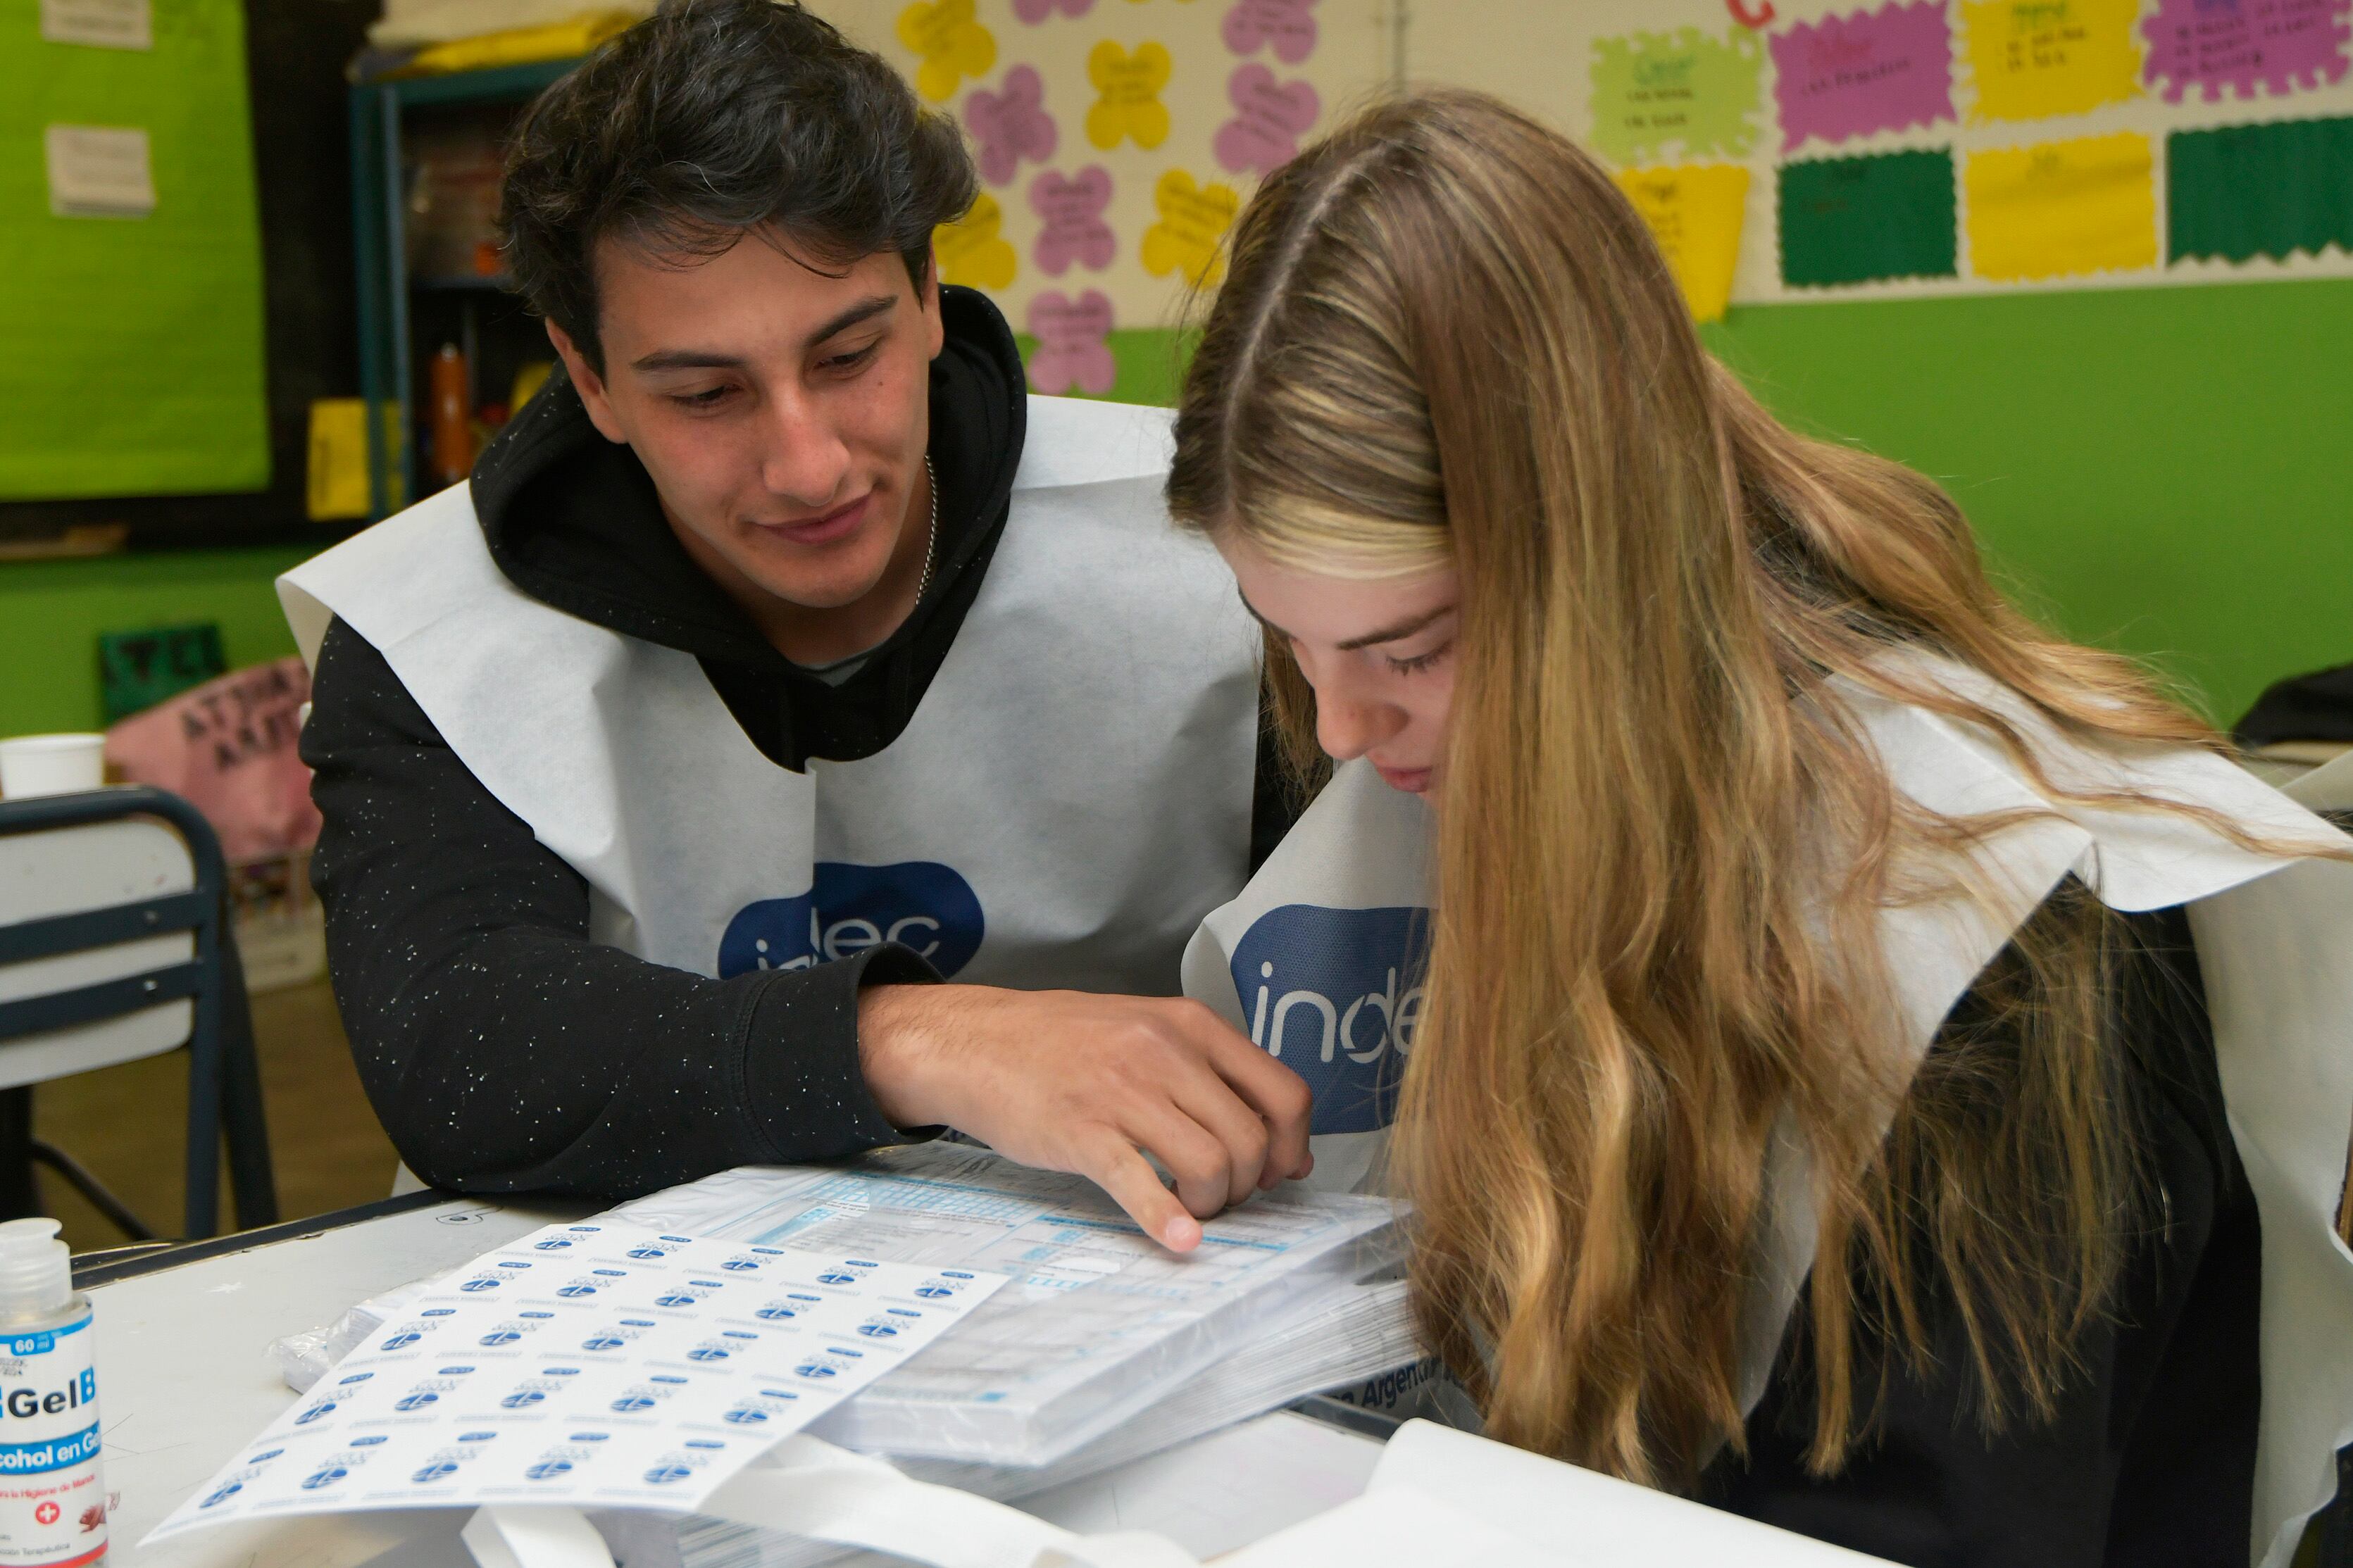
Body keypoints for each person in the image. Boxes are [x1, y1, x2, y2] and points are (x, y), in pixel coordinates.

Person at [1168, 91, 2353, 1567]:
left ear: (1598, 578)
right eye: (1287, 640)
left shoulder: (2000, 934)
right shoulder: (1454, 745)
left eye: (1412, 652)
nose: (1341, 731)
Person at [282, 0, 1313, 1250]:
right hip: (629, 1331)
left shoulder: (1209, 546)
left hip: (1144, 1277)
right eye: (707, 394)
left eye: (848, 356)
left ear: (930, 294)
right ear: (590, 376)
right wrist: (916, 1036)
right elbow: (457, 1043)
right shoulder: (433, 630)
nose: (808, 464)